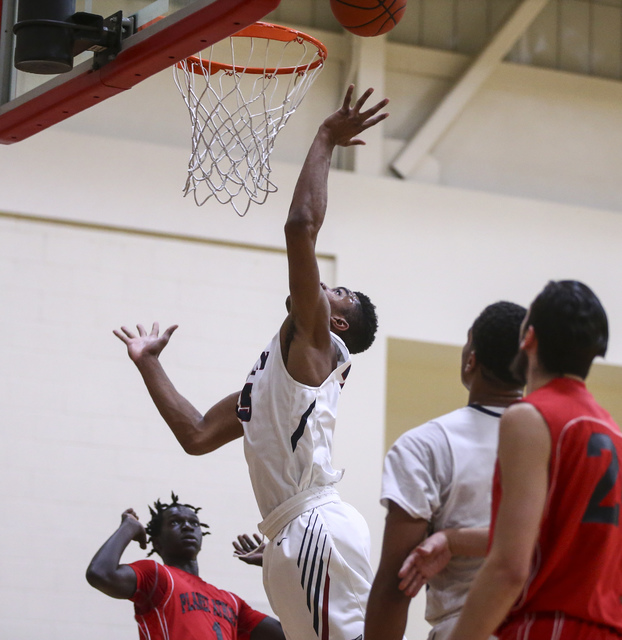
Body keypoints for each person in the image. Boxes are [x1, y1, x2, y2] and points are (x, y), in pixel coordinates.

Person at [113, 85, 388, 640]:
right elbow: (194, 435)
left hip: (313, 524)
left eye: (340, 293)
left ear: (337, 325)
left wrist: (326, 136)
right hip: (288, 532)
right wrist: (148, 364)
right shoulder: (269, 379)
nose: (326, 287)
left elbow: (300, 227)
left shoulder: (315, 345)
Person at [444, 280, 622, 640]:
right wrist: (451, 541)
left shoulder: (530, 417)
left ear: (528, 339)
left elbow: (510, 567)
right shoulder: (613, 431)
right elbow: (557, 535)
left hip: (549, 625)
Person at [364, 301, 527, 640]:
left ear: (471, 359)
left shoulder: (425, 444)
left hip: (469, 626)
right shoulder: (564, 440)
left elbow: (399, 582)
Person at [86, 492, 284, 640]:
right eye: (174, 523)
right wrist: (128, 527)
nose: (188, 526)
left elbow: (293, 634)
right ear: (156, 542)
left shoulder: (231, 601)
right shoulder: (157, 575)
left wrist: (277, 565)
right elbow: (101, 574)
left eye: (194, 523)